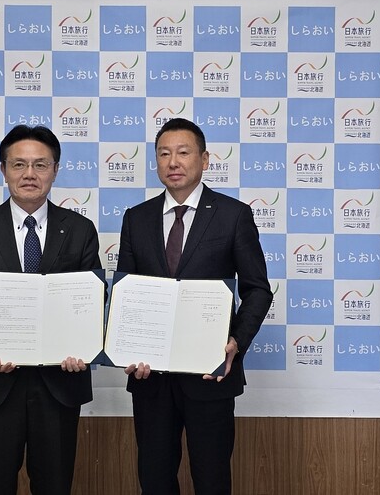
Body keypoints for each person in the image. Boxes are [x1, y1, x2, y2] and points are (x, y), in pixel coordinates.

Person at [0, 124, 102, 495]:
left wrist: (82, 345)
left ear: (55, 170)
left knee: (55, 485)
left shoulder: (80, 230)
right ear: (4, 170)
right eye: (19, 164)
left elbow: (92, 299)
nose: (30, 174)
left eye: (40, 165)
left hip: (59, 385)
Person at [117, 117, 273, 495]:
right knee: (154, 479)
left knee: (212, 479)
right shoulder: (136, 219)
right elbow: (126, 294)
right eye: (164, 154)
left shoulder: (233, 215)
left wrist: (236, 342)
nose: (173, 162)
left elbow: (257, 289)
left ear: (204, 159)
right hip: (151, 377)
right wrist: (126, 347)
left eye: (183, 152)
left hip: (210, 374)